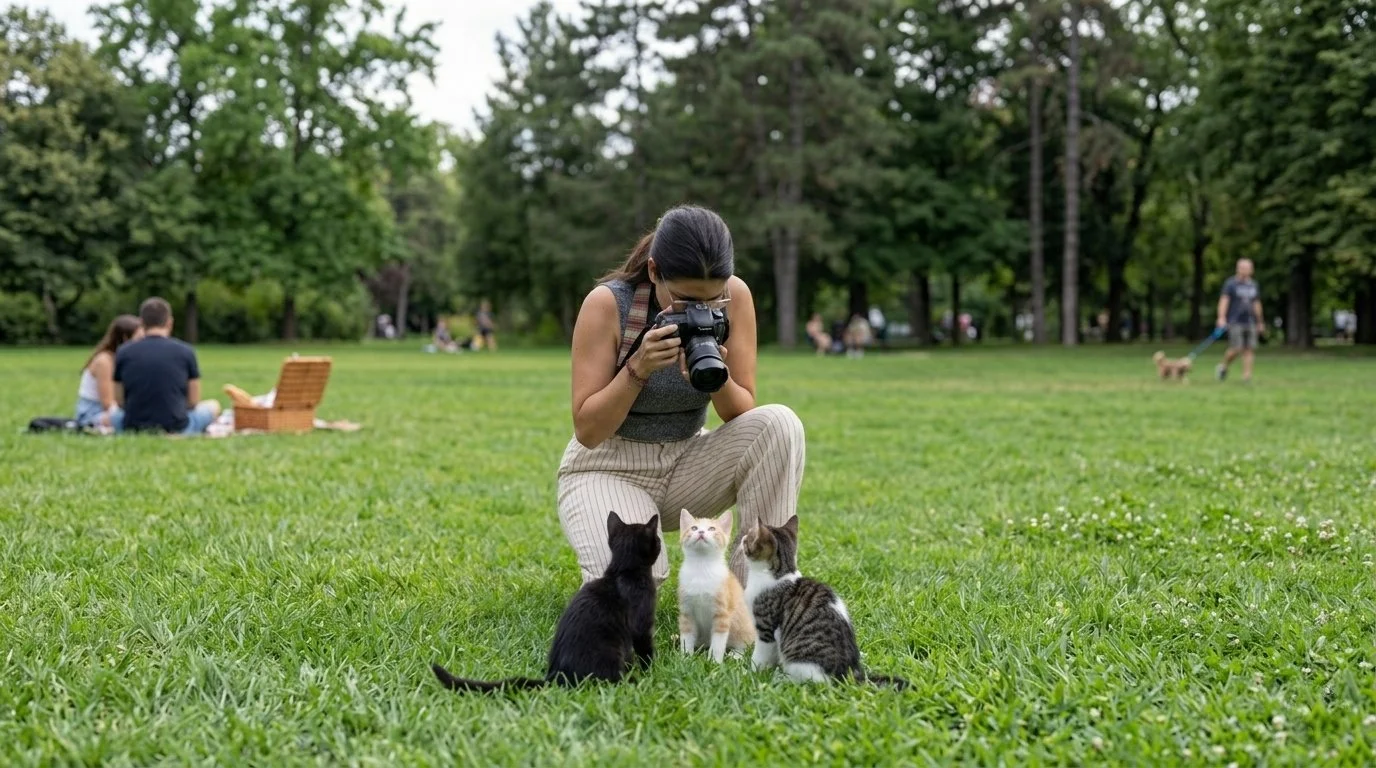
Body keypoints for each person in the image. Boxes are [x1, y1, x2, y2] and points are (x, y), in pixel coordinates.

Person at [559, 204, 806, 587]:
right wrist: (638, 368)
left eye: (713, 300)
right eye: (687, 300)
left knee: (779, 424)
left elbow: (741, 412)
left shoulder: (736, 296)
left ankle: (759, 592)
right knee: (637, 582)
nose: (701, 311)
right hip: (608, 466)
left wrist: (716, 378)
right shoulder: (608, 304)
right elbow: (588, 431)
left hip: (688, 459)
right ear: (655, 271)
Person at [114, 297, 221, 434]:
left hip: (132, 426)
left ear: (141, 323)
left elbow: (119, 401)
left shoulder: (123, 352)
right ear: (170, 323)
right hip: (177, 427)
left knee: (113, 415)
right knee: (213, 406)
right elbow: (193, 401)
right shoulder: (186, 351)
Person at [74, 314, 143, 430]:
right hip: (93, 413)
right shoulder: (105, 361)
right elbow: (108, 404)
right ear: (126, 338)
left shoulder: (126, 360)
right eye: (139, 338)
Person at [1216, 258, 1264, 382]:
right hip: (1235, 321)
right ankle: (1224, 366)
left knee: (1249, 349)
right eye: (1243, 268)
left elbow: (1256, 303)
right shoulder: (1231, 284)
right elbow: (1224, 301)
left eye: (1248, 268)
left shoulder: (1253, 285)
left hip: (1250, 321)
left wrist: (1260, 321)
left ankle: (1247, 376)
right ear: (1238, 269)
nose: (1246, 270)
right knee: (1236, 348)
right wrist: (1221, 317)